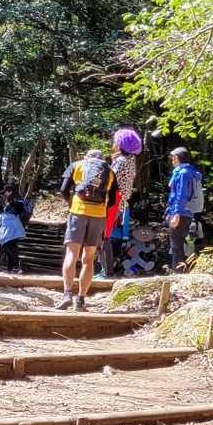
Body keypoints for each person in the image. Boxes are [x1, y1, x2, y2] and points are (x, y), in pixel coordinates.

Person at [58, 147, 117, 311]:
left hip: (78, 211)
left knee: (71, 254)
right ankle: (81, 300)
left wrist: (71, 203)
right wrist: (102, 210)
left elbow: (63, 189)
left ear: (86, 157)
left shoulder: (76, 165)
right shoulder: (109, 172)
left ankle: (67, 294)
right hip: (98, 215)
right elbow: (112, 200)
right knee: (88, 258)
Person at [100, 128, 142, 278]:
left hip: (112, 201)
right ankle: (107, 270)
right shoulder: (130, 161)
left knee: (103, 236)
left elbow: (109, 181)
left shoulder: (120, 161)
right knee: (106, 236)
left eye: (115, 141)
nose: (113, 144)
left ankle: (106, 271)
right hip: (121, 202)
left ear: (121, 144)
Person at [165, 147, 201, 272]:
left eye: (173, 157)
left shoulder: (183, 173)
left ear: (177, 158)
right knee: (179, 243)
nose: (172, 160)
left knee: (176, 245)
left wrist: (176, 213)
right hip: (186, 212)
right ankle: (180, 271)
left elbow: (181, 195)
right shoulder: (189, 172)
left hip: (181, 212)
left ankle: (178, 272)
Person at [0, 186, 32, 273]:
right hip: (7, 226)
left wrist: (11, 203)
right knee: (10, 246)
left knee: (8, 246)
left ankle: (16, 266)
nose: (4, 194)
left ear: (10, 191)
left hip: (12, 227)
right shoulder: (7, 200)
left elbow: (20, 209)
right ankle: (11, 268)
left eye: (5, 192)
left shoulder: (16, 200)